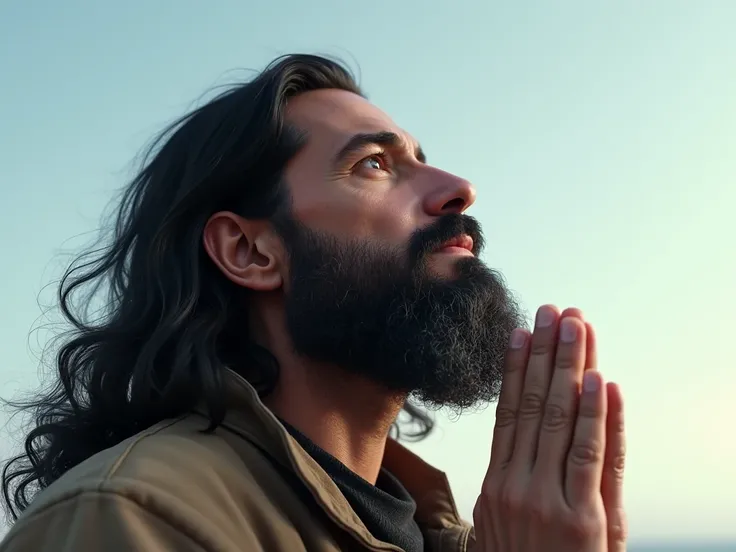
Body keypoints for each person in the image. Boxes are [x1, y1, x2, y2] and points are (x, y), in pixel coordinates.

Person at [0, 54, 626, 551]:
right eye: (374, 164)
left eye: (421, 160)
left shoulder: (446, 534)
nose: (459, 188)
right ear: (250, 252)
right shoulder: (137, 520)